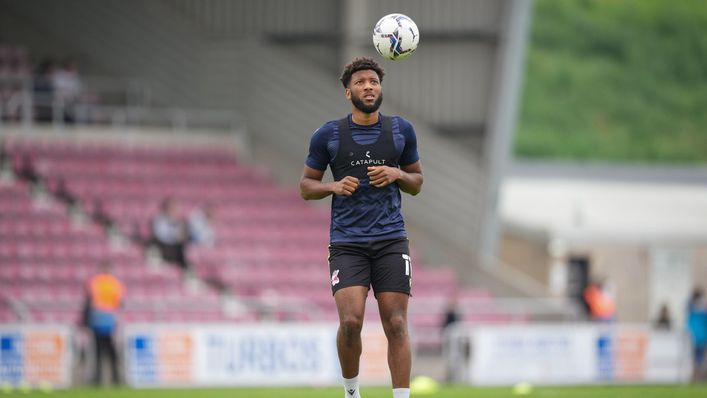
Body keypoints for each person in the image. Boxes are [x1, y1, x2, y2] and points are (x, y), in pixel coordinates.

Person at [299, 57, 423, 398]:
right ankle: (352, 393)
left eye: (373, 81)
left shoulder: (401, 130)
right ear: (347, 92)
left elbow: (417, 182)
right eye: (360, 82)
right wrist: (333, 186)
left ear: (380, 88)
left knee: (396, 323)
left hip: (391, 241)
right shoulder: (328, 134)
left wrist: (398, 174)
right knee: (351, 323)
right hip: (347, 243)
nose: (368, 86)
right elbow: (306, 187)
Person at [81, 261, 125, 385]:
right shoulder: (115, 283)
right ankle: (116, 378)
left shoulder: (95, 282)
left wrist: (85, 321)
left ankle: (98, 378)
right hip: (109, 318)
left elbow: (89, 301)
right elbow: (119, 302)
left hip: (98, 317)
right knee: (110, 350)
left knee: (99, 350)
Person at [151, 197, 190, 270]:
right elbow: (161, 235)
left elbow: (181, 236)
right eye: (172, 208)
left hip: (174, 247)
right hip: (163, 246)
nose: (174, 210)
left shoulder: (178, 221)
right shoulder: (160, 219)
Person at [687, 287, 707, 381]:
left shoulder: (695, 308)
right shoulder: (694, 308)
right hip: (698, 336)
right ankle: (698, 376)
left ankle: (699, 376)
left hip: (698, 336)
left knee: (699, 358)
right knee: (698, 358)